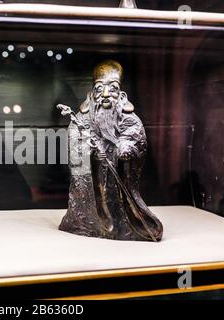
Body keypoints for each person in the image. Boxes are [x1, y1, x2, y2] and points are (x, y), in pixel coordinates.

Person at [58, 60, 163, 241]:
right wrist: (91, 151)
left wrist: (125, 148)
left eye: (112, 89)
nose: (105, 94)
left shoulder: (128, 117)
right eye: (99, 89)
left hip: (118, 175)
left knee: (123, 201)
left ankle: (129, 223)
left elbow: (134, 134)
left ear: (121, 95)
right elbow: (76, 138)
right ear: (92, 94)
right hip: (95, 177)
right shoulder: (82, 118)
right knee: (92, 202)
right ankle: (92, 224)